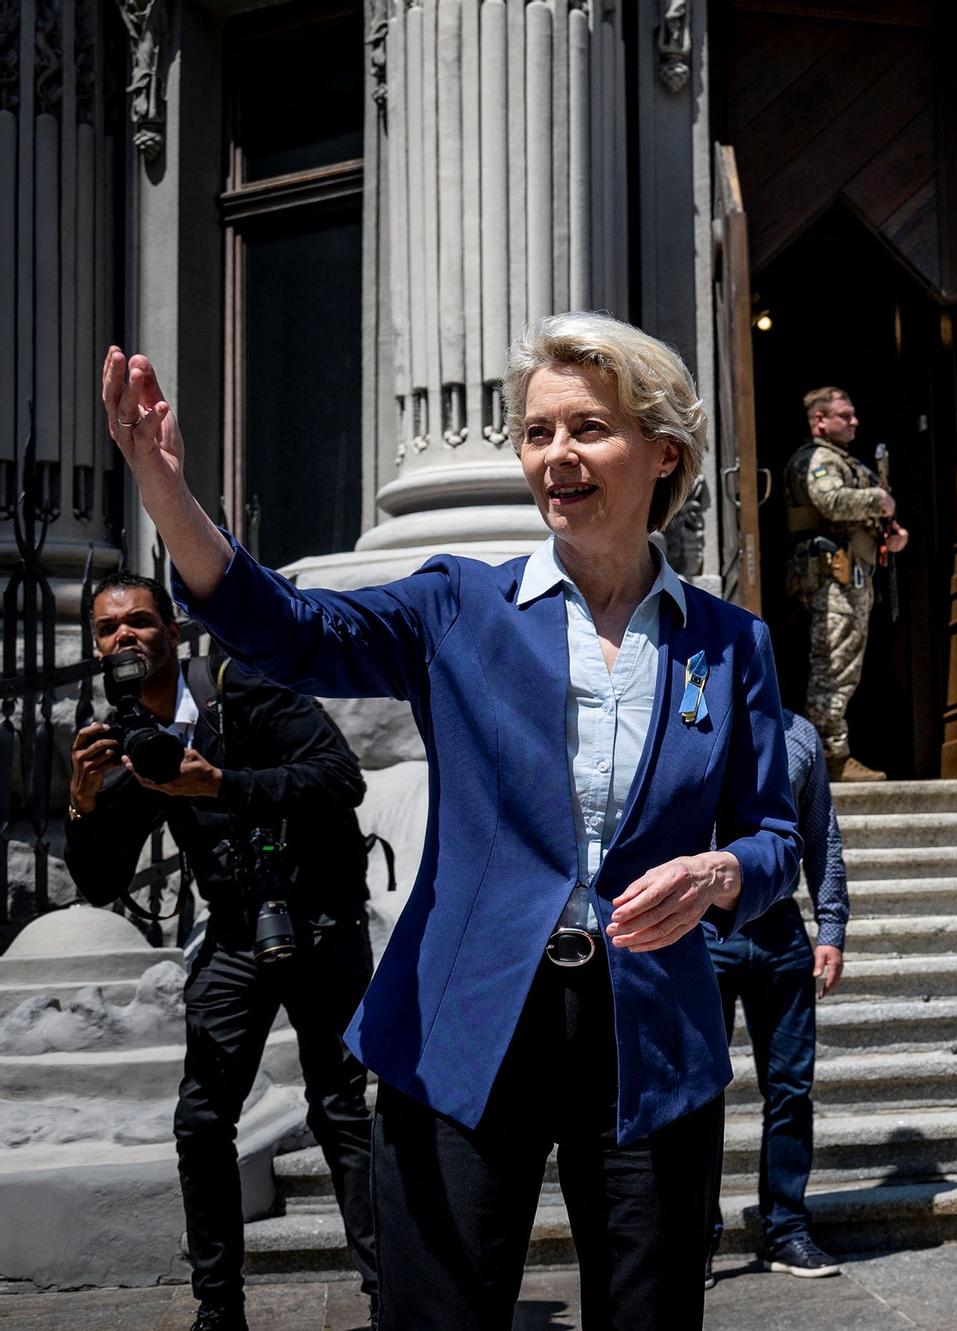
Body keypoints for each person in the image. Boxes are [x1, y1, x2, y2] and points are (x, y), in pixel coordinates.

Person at [100, 310, 800, 1331]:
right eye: (536, 431)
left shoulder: (731, 644)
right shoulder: (459, 606)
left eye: (586, 428)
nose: (554, 455)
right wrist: (167, 492)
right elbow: (287, 631)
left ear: (662, 454)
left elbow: (776, 838)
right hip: (468, 1020)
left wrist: (720, 876)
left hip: (650, 1033)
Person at [65, 570, 377, 1331]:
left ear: (173, 631)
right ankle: (218, 1312)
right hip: (237, 931)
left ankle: (391, 1296)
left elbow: (342, 779)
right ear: (97, 648)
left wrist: (223, 783)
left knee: (340, 1109)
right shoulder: (132, 740)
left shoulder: (247, 687)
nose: (125, 637)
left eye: (141, 620)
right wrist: (83, 802)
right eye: (109, 630)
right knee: (201, 1122)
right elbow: (101, 882)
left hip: (321, 920)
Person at [705, 707, 850, 1286]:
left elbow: (822, 835)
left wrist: (832, 928)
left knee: (791, 1087)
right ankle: (694, 1237)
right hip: (701, 931)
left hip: (780, 931)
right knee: (696, 1094)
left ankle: (786, 1229)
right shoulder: (687, 719)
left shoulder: (798, 736)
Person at [783, 387, 908, 782]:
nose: (854, 421)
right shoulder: (819, 459)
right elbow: (831, 502)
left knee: (844, 664)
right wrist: (877, 499)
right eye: (844, 415)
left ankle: (828, 753)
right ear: (820, 420)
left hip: (852, 577)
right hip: (833, 579)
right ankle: (828, 757)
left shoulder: (845, 461)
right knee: (833, 666)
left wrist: (890, 532)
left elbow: (861, 519)